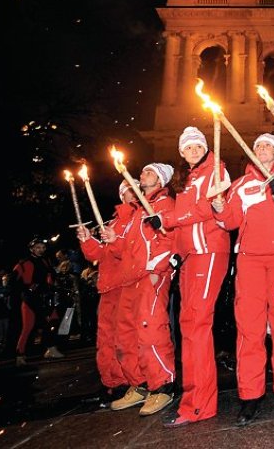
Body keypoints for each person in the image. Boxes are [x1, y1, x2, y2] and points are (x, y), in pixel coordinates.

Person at [212, 134, 274, 426]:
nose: (262, 150)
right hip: (249, 261)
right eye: (258, 146)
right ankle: (250, 395)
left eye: (268, 146)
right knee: (249, 329)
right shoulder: (239, 184)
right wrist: (218, 205)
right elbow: (229, 222)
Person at [153, 126, 231, 427]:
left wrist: (168, 219)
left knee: (197, 323)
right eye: (187, 147)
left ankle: (199, 404)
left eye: (198, 145)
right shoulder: (187, 180)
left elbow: (207, 209)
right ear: (182, 152)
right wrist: (175, 250)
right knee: (188, 325)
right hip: (190, 257)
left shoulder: (216, 168)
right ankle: (194, 400)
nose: (193, 150)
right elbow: (182, 225)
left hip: (210, 250)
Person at [101, 163, 177, 416]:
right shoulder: (137, 211)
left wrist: (157, 269)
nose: (141, 175)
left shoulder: (164, 204)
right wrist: (115, 240)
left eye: (147, 172)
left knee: (150, 329)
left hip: (150, 276)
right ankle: (141, 383)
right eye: (142, 171)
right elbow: (127, 250)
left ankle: (163, 386)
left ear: (160, 180)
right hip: (130, 278)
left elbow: (169, 238)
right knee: (126, 335)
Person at [77, 181, 134, 400]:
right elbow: (99, 254)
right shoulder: (114, 222)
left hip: (126, 284)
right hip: (108, 286)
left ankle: (128, 381)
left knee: (124, 337)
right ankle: (111, 381)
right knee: (106, 338)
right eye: (128, 190)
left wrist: (116, 240)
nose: (132, 192)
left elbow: (133, 250)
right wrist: (87, 240)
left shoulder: (139, 219)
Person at [13, 238, 64, 365]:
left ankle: (50, 348)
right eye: (38, 247)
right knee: (28, 327)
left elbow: (51, 276)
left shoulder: (45, 261)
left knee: (53, 321)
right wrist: (27, 288)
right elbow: (14, 282)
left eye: (42, 247)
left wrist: (53, 285)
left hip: (45, 298)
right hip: (30, 300)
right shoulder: (24, 262)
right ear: (32, 249)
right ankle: (19, 355)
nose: (41, 250)